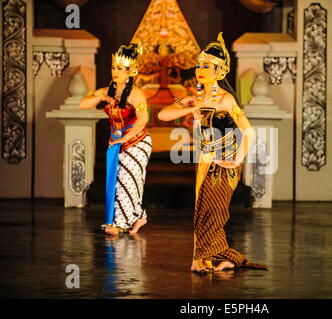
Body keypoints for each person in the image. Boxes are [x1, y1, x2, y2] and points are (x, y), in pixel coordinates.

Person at [158, 32, 267, 272]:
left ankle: (224, 258)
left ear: (219, 72)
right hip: (204, 159)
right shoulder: (193, 98)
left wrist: (237, 159)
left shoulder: (226, 100)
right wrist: (189, 108)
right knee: (201, 212)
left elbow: (248, 132)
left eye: (206, 66)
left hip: (225, 163)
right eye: (199, 65)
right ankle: (202, 260)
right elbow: (162, 115)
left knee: (214, 214)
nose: (200, 69)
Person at [80, 43, 152, 236]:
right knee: (119, 181)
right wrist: (101, 98)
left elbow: (143, 119)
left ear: (131, 71)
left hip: (137, 141)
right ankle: (138, 217)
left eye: (120, 68)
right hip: (117, 141)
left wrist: (126, 138)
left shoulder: (136, 94)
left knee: (127, 181)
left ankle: (120, 224)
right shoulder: (107, 91)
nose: (115, 71)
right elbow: (84, 104)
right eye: (113, 67)